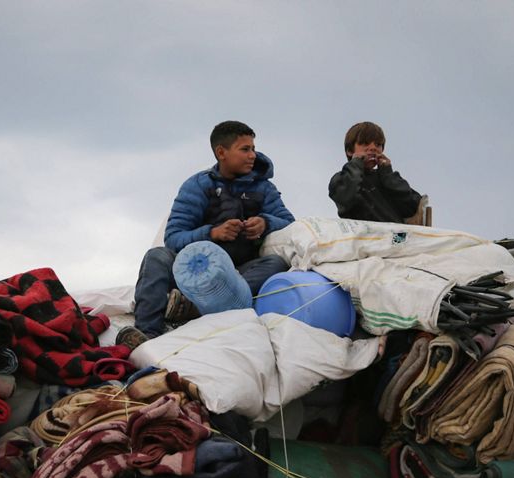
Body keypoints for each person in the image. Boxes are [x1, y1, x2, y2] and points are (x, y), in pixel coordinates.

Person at [123, 121, 294, 345]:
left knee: (276, 264)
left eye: (253, 148)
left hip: (238, 274)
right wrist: (213, 233)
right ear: (221, 152)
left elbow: (290, 225)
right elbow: (173, 237)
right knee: (156, 256)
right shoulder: (197, 186)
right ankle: (147, 335)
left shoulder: (263, 189)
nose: (252, 155)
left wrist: (265, 222)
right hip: (191, 273)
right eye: (245, 149)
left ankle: (195, 308)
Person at [327, 121, 423, 223]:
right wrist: (356, 163)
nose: (373, 148)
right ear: (350, 151)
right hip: (363, 237)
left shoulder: (385, 178)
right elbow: (345, 197)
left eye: (378, 145)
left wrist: (388, 175)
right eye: (365, 143)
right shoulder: (341, 179)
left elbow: (415, 208)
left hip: (394, 237)